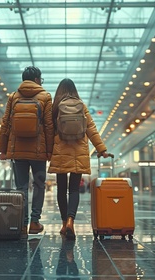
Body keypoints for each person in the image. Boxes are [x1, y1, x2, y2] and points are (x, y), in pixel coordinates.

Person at [48, 78, 108, 240]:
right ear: (74, 90)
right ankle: (70, 221)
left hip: (60, 150)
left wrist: (48, 152)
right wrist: (101, 149)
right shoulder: (82, 106)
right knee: (74, 189)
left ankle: (63, 223)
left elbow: (48, 131)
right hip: (79, 151)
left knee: (61, 189)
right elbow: (91, 129)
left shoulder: (55, 108)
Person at [0, 66, 54, 235]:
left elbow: (5, 124)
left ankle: (22, 224)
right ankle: (35, 222)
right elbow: (49, 126)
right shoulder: (45, 96)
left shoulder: (13, 97)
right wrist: (50, 151)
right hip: (39, 152)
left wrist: (3, 150)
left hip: (17, 151)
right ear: (37, 80)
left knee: (21, 187)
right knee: (39, 185)